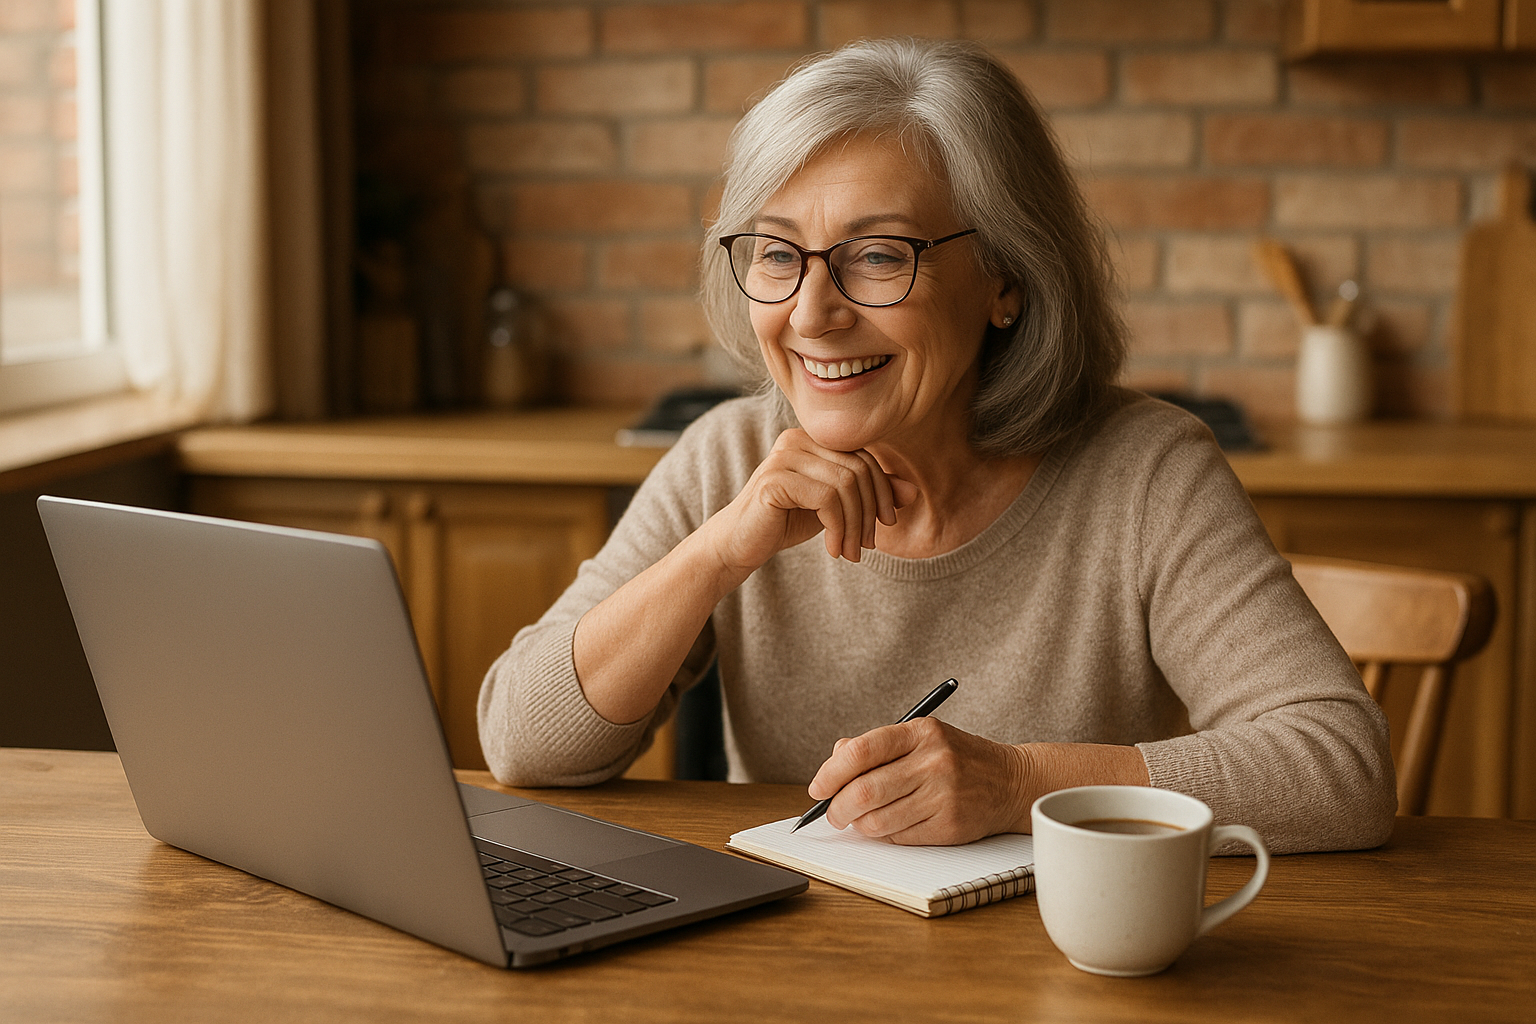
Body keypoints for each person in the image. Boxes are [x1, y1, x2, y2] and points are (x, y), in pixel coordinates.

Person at [477, 38, 1395, 855]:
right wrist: (723, 549)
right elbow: (520, 742)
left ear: (1007, 278)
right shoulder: (729, 458)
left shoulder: (1145, 472)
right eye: (776, 252)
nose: (811, 314)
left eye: (878, 256)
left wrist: (1022, 784)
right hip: (797, 962)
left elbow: (1340, 770)